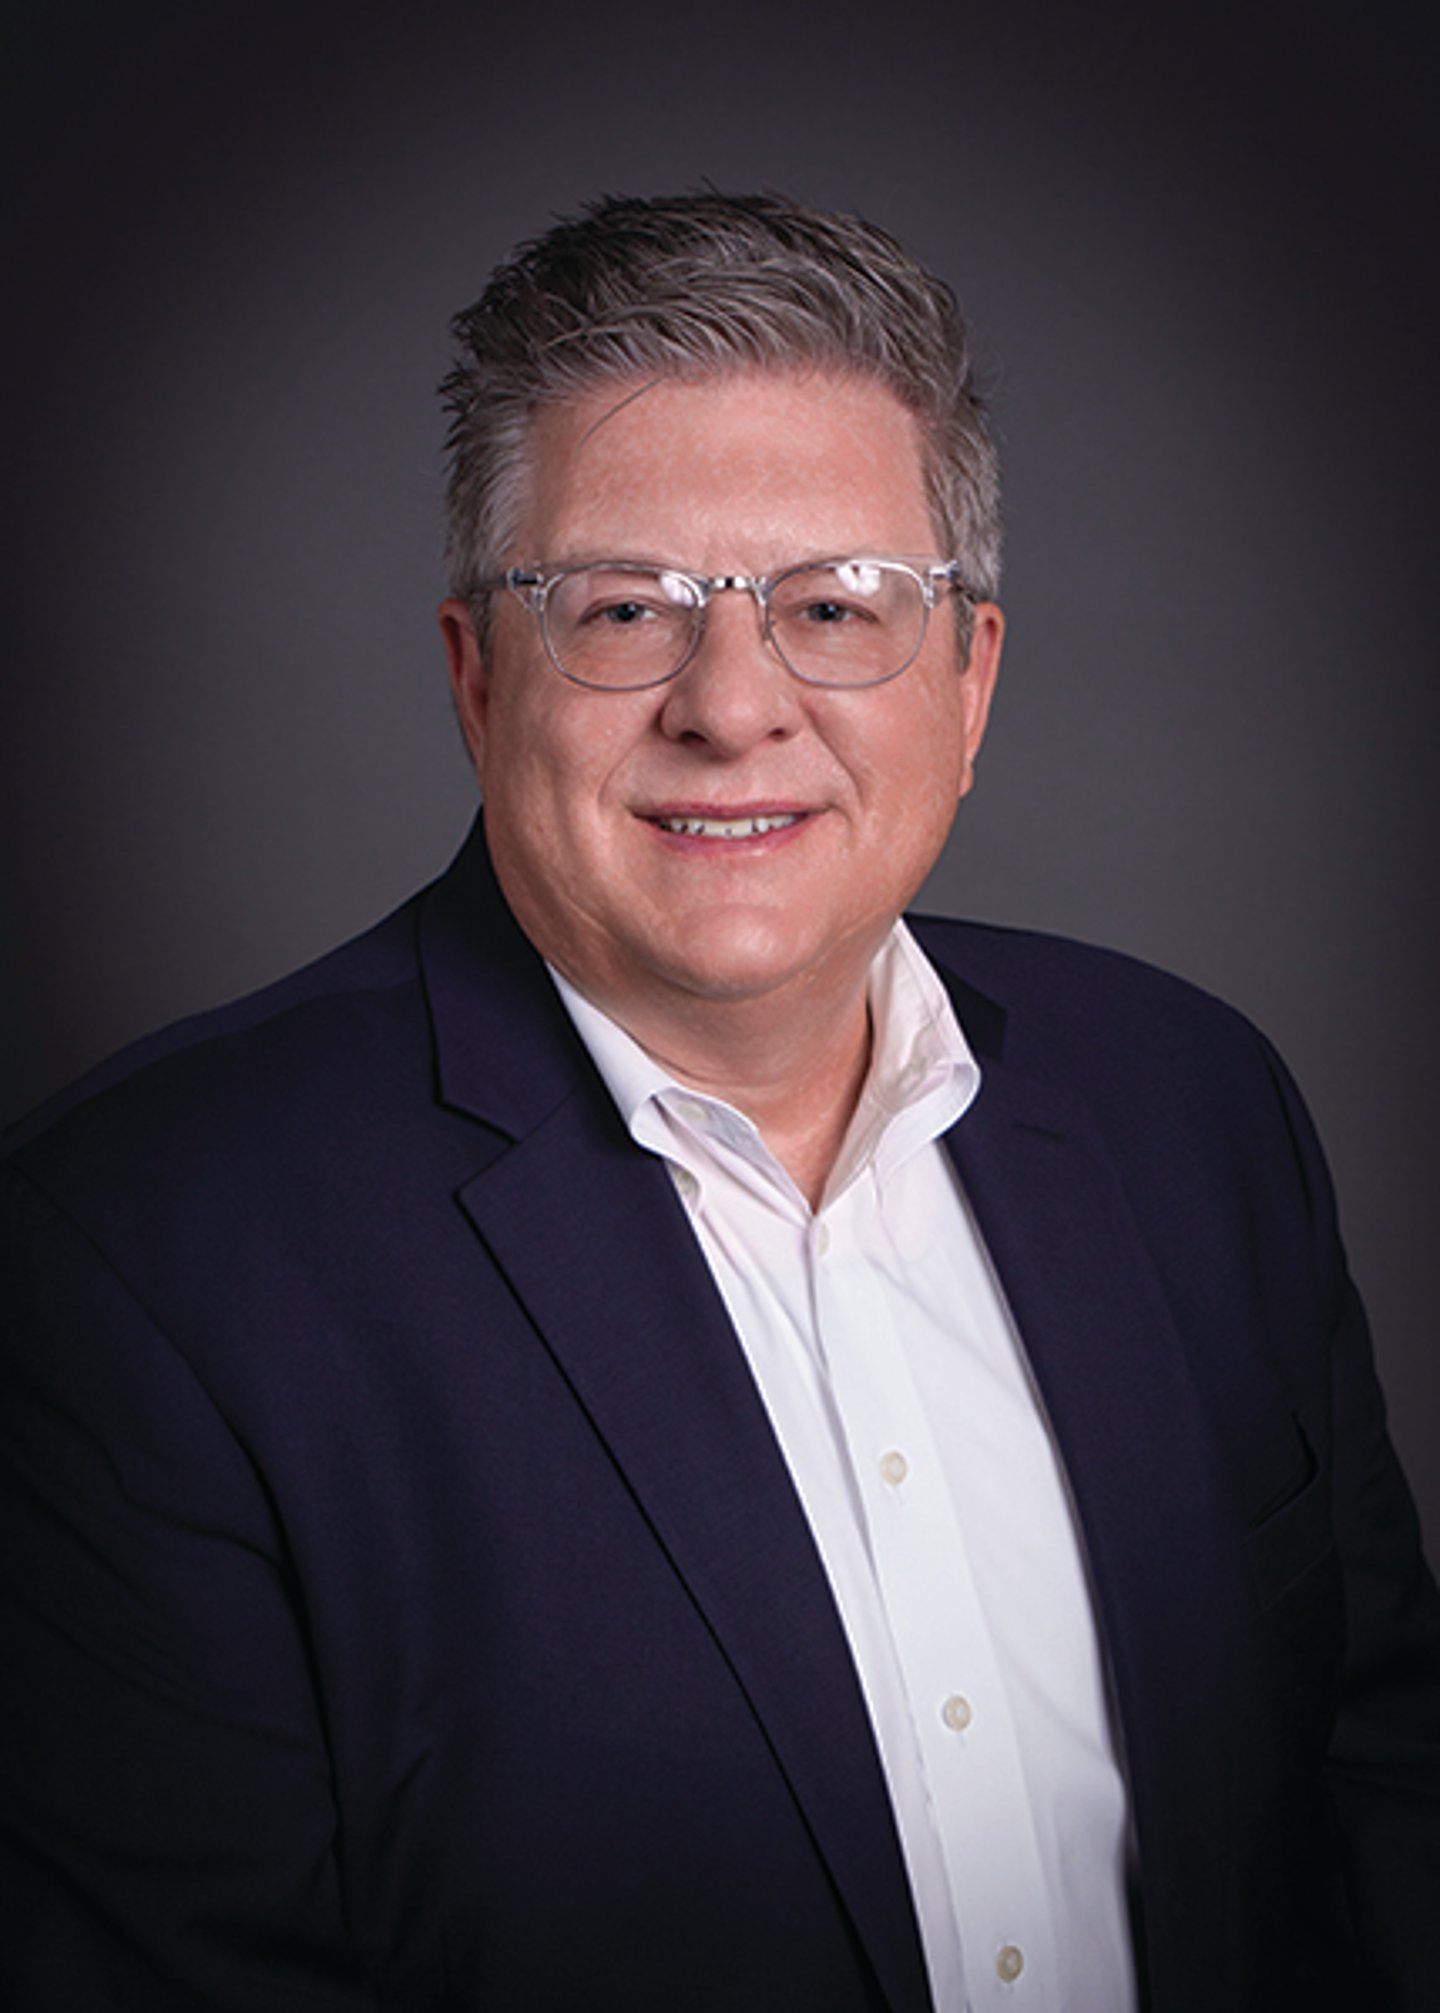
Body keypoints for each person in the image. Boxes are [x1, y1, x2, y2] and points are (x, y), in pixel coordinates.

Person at [2, 192, 1437, 2013]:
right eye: (624, 609)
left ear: (972, 682)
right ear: (476, 678)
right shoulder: (138, 1259)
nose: (734, 703)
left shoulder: (1198, 1108)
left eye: (837, 606)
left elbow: (1377, 1805)